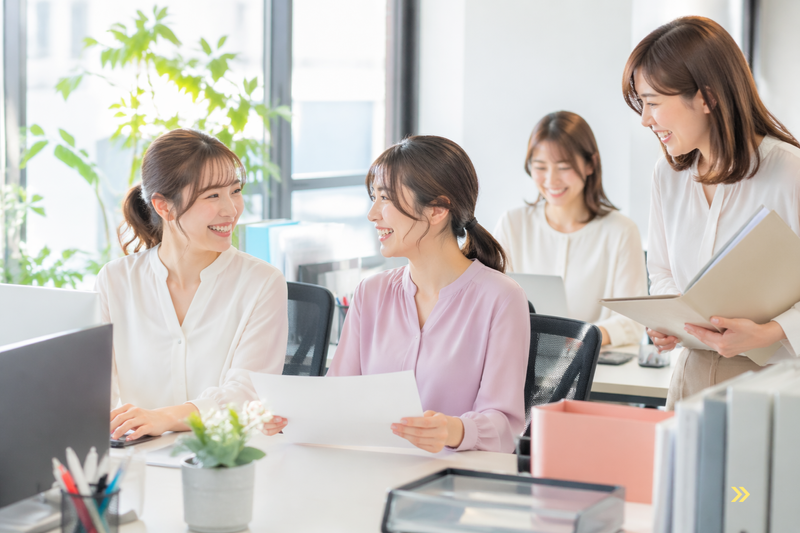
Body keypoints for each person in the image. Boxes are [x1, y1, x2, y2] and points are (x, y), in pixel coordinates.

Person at [263, 136, 530, 453]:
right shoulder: (371, 292)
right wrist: (291, 418)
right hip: (369, 472)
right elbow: (337, 397)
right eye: (373, 198)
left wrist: (453, 430)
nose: (372, 214)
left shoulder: (501, 297)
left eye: (386, 199)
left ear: (437, 209)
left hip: (452, 481)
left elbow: (503, 428)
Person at [622, 16, 800, 409]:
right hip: (691, 377)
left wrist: (770, 332)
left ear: (706, 97)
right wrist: (670, 321)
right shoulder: (667, 175)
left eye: (653, 103)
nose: (645, 119)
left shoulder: (789, 171)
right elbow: (663, 271)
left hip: (778, 385)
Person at [99, 128, 288, 441]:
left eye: (235, 190)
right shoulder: (115, 280)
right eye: (213, 195)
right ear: (164, 206)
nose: (231, 209)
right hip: (143, 462)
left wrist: (163, 418)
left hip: (229, 464)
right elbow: (93, 391)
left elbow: (248, 395)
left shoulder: (262, 282)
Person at [493, 111, 648, 347]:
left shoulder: (621, 231)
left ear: (590, 165)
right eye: (540, 167)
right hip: (523, 362)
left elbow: (633, 324)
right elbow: (494, 304)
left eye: (563, 167)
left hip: (596, 370)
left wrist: (580, 339)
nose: (551, 179)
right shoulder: (513, 224)